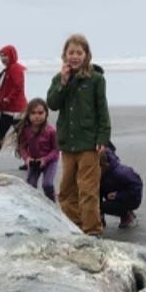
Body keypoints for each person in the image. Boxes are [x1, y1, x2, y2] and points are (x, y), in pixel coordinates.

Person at [46, 33, 111, 235]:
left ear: (86, 55)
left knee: (88, 189)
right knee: (66, 189)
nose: (75, 56)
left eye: (79, 52)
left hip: (89, 143)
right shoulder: (59, 79)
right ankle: (74, 225)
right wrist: (63, 82)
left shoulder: (96, 79)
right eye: (71, 52)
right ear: (65, 55)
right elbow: (52, 104)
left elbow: (102, 110)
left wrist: (103, 137)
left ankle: (92, 229)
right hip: (68, 143)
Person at [15, 97, 59, 201]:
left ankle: (52, 204)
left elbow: (56, 150)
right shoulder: (26, 130)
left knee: (47, 184)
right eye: (33, 113)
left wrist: (45, 160)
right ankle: (34, 205)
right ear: (28, 115)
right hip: (34, 161)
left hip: (50, 161)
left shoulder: (51, 131)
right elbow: (22, 147)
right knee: (30, 185)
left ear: (46, 114)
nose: (37, 116)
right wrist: (27, 159)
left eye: (40, 113)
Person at [99, 147, 143, 229]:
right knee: (96, 201)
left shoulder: (120, 172)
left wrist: (118, 195)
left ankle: (126, 215)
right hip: (112, 194)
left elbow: (136, 187)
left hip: (131, 199)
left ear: (104, 165)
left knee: (102, 206)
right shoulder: (100, 175)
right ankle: (100, 220)